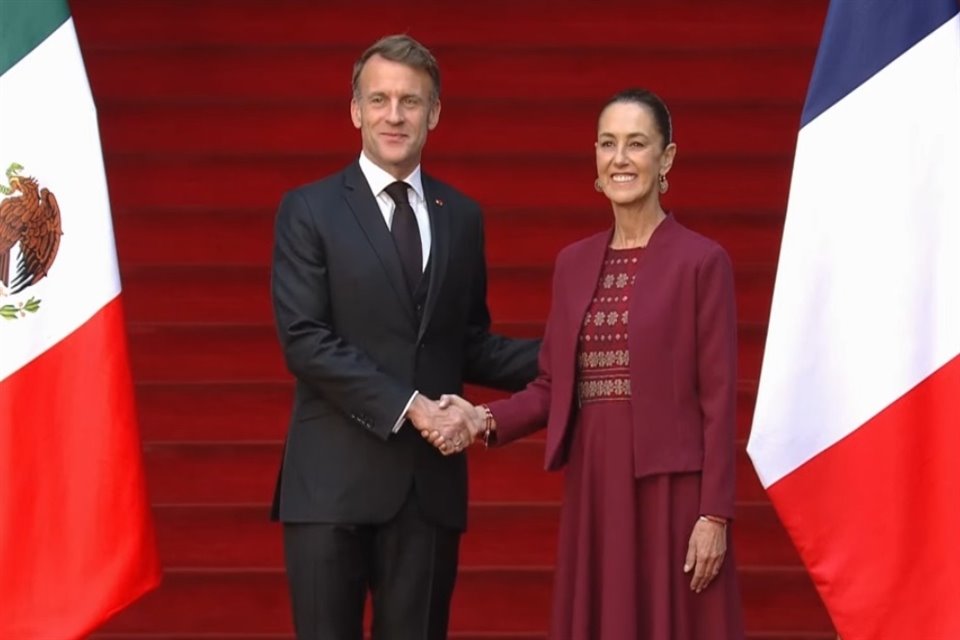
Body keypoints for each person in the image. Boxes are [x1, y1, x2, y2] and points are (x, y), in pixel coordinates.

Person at [436, 88, 745, 639]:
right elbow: (552, 385)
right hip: (596, 486)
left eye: (637, 144)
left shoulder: (703, 262)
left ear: (667, 158)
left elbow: (720, 401)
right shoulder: (573, 263)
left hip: (671, 493)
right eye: (608, 144)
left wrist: (714, 514)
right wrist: (481, 419)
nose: (620, 158)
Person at [269, 34, 539, 640]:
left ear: (433, 113)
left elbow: (466, 343)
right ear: (355, 110)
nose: (394, 115)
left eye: (410, 101)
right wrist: (411, 406)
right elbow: (305, 340)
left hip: (427, 492)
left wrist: (575, 353)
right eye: (380, 100)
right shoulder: (308, 210)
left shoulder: (461, 216)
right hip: (329, 487)